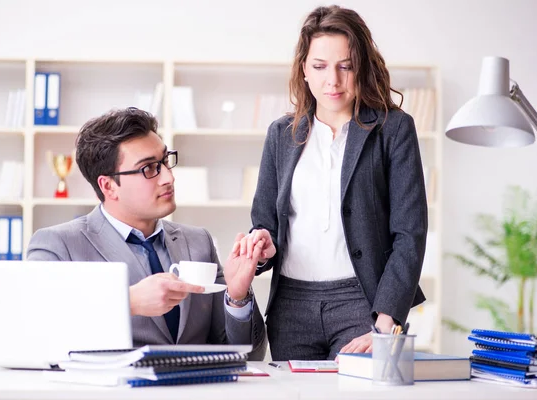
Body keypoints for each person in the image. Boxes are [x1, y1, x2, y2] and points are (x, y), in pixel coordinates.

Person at [235, 5, 427, 361]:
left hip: (363, 303)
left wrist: (386, 323)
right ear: (304, 70)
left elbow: (410, 233)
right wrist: (261, 241)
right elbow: (266, 223)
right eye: (320, 67)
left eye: (346, 66)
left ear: (362, 68)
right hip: (291, 307)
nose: (332, 81)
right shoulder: (281, 134)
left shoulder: (393, 129)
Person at [27, 107, 267, 360]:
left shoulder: (199, 242)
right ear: (108, 186)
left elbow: (248, 356)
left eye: (165, 161)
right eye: (149, 168)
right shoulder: (59, 244)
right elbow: (35, 330)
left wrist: (237, 298)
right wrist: (128, 302)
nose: (168, 177)